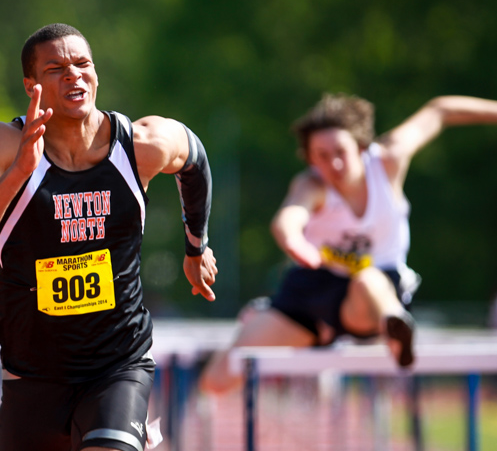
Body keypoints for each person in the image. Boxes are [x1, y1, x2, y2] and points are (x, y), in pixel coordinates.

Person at [0, 24, 217, 451]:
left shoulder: (138, 144)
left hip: (116, 361)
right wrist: (18, 174)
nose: (74, 75)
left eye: (83, 64)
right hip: (33, 371)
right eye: (56, 68)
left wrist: (195, 245)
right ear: (32, 86)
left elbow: (194, 157)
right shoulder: (2, 145)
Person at [202, 93, 497, 393]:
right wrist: (294, 243)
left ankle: (396, 327)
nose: (334, 163)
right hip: (313, 287)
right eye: (321, 156)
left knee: (367, 280)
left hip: (370, 297)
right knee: (217, 378)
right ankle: (164, 426)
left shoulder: (389, 161)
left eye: (340, 151)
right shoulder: (311, 185)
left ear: (359, 145)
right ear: (309, 157)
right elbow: (288, 217)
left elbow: (441, 109)